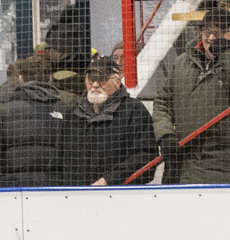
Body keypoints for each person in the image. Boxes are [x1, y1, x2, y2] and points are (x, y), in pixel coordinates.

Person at [146, 3, 230, 183]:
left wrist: (226, 52)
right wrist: (166, 134)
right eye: (207, 31)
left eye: (218, 32)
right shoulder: (182, 62)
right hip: (178, 160)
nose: (211, 37)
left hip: (221, 165)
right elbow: (162, 102)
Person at [0, 53, 72, 187]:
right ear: (50, 78)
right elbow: (74, 159)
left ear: (20, 78)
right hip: (55, 193)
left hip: (9, 193)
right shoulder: (66, 111)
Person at [63, 52, 162, 185]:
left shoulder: (134, 110)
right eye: (91, 78)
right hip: (78, 196)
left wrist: (109, 180)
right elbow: (61, 157)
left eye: (103, 79)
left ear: (117, 81)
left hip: (122, 194)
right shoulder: (73, 113)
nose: (96, 84)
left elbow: (146, 155)